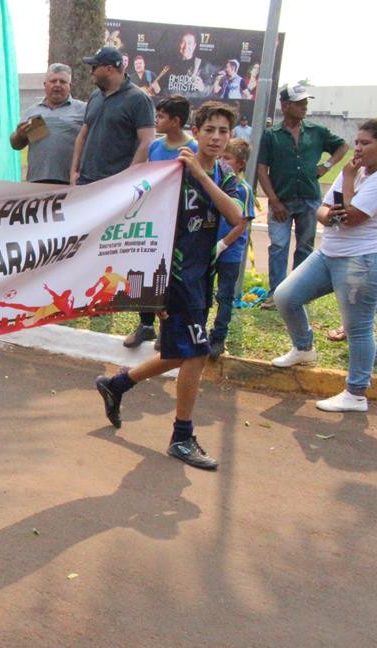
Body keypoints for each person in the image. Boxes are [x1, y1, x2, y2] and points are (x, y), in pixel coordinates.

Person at [94, 102, 244, 470]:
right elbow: (149, 225)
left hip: (201, 276)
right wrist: (152, 288)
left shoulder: (226, 178)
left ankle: (117, 384)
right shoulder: (173, 172)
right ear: (196, 129)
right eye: (209, 129)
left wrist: (204, 176)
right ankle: (181, 436)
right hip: (174, 278)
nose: (216, 137)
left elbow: (236, 216)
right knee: (196, 353)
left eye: (224, 131)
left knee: (182, 350)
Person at [271, 119, 377, 412]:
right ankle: (304, 348)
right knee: (286, 296)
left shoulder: (366, 177)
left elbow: (350, 216)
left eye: (365, 143)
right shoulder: (357, 173)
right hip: (328, 253)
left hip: (360, 260)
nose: (357, 148)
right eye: (357, 142)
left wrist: (345, 179)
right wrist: (327, 214)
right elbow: (322, 207)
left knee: (358, 327)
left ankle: (356, 393)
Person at [257, 83, 349, 304]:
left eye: (306, 103)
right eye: (299, 103)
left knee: (305, 245)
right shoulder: (271, 135)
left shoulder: (316, 131)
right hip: (281, 199)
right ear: (285, 106)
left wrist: (327, 166)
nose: (304, 107)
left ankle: (298, 292)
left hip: (310, 197)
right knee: (278, 245)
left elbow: (343, 146)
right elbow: (261, 169)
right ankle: (276, 293)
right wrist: (274, 200)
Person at [124, 95, 198, 348]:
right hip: (155, 217)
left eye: (162, 116)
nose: (157, 120)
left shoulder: (193, 149)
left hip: (180, 221)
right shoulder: (156, 147)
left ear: (176, 121)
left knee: (171, 274)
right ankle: (146, 324)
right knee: (146, 267)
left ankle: (169, 327)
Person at [71, 47, 155, 186]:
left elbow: (147, 141)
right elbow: (83, 135)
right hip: (85, 181)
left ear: (109, 69)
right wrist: (73, 172)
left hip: (114, 185)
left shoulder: (138, 99)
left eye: (94, 67)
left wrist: (127, 179)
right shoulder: (95, 96)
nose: (91, 72)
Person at [209, 138, 256, 359]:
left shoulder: (243, 189)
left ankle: (218, 336)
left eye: (227, 158)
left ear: (240, 163)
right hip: (208, 249)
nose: (222, 162)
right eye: (220, 157)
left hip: (230, 253)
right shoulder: (216, 183)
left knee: (225, 296)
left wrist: (223, 244)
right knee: (203, 293)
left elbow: (242, 223)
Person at [10, 64, 85, 185]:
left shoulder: (83, 110)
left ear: (70, 86)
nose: (57, 85)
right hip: (37, 180)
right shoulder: (31, 111)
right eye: (53, 81)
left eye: (63, 82)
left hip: (71, 181)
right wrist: (19, 134)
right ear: (45, 85)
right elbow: (16, 145)